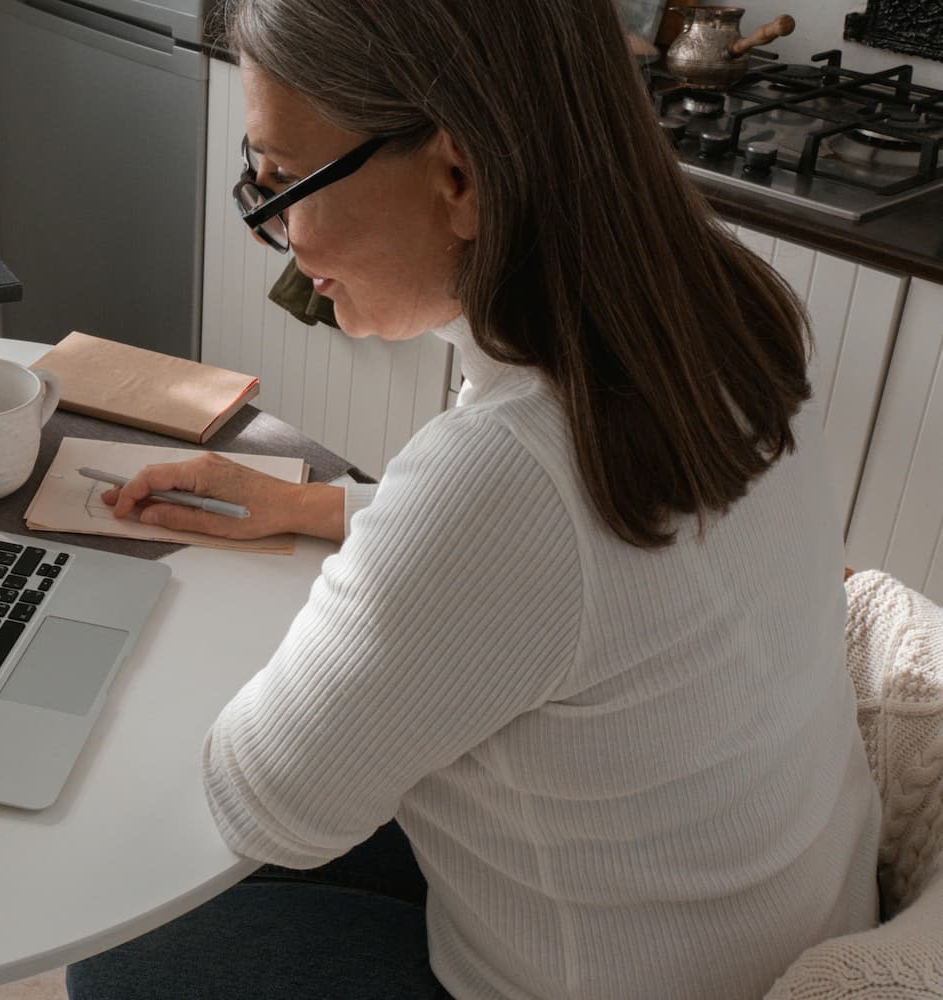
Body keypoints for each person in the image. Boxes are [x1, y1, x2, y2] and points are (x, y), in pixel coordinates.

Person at [67, 2, 882, 998]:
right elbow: (588, 578)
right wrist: (322, 506)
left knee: (126, 950)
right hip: (755, 911)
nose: (280, 235)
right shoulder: (710, 302)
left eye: (284, 182)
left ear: (458, 176)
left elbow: (260, 798)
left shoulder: (502, 483)